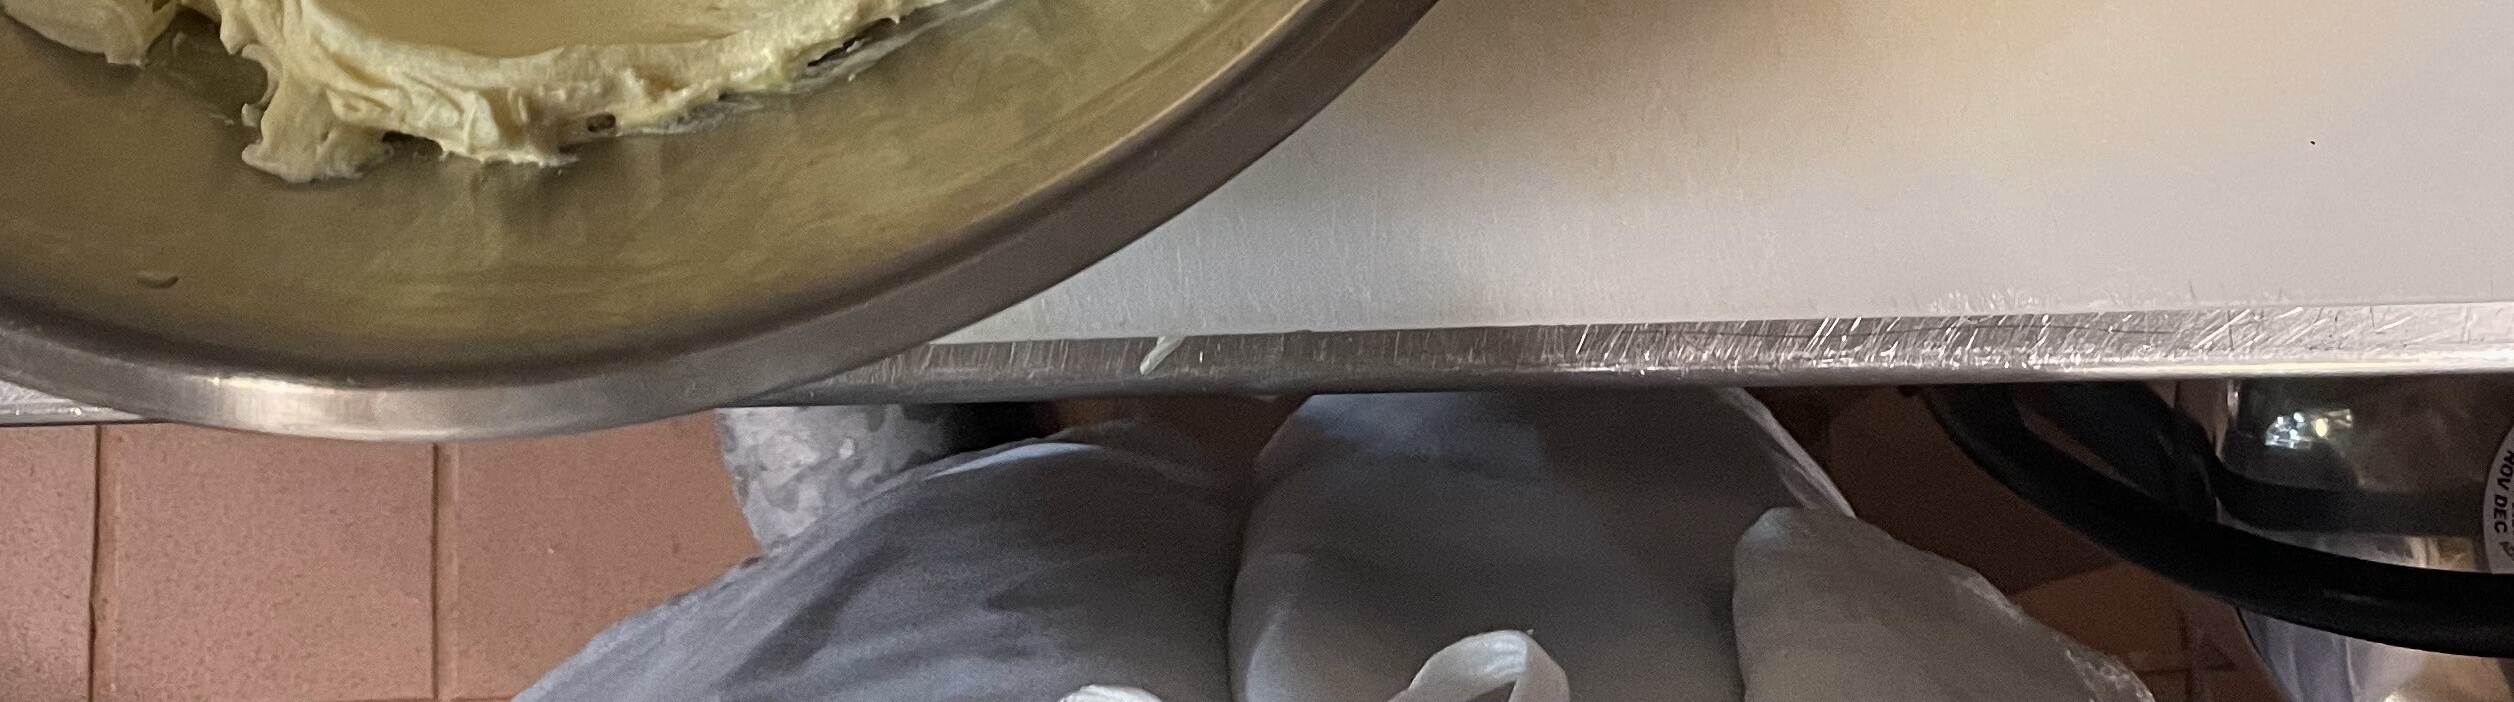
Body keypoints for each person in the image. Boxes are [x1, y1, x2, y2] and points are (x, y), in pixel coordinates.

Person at [525, 390, 2168, 702]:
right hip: (1604, 626)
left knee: (957, 593)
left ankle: (930, 468)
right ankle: (1490, 340)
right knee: (1527, 440)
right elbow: (1823, 607)